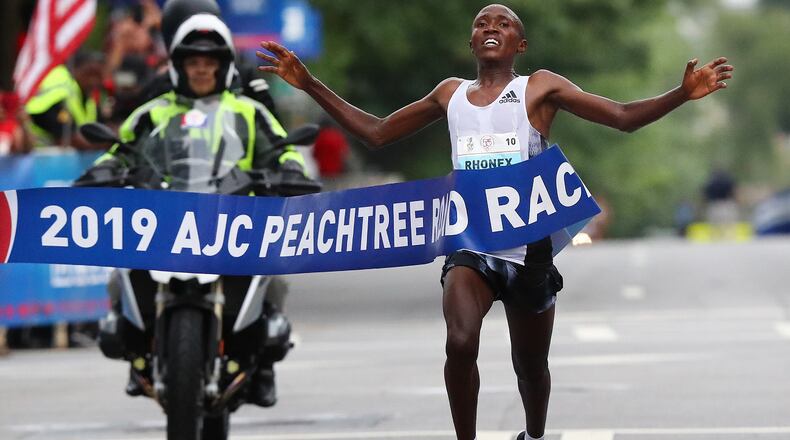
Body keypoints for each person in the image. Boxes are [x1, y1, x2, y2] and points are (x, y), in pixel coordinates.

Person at [256, 4, 733, 439]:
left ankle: (534, 435)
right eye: (482, 23)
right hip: (472, 245)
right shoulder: (450, 94)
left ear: (519, 45)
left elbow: (623, 117)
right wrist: (311, 84)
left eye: (504, 24)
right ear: (471, 43)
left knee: (531, 366)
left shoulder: (539, 87)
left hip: (530, 249)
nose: (491, 27)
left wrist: (681, 94)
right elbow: (377, 132)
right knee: (461, 342)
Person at [91, 12, 307, 408]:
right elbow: (121, 150)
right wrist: (105, 168)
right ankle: (135, 349)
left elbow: (283, 149)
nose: (202, 68)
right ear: (179, 66)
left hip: (234, 218)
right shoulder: (153, 111)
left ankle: (263, 366)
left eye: (210, 61)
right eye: (193, 61)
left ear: (224, 66)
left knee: (274, 269)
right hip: (165, 218)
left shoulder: (249, 111)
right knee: (119, 268)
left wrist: (289, 169)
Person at [24, 51, 107, 149]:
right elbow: (69, 138)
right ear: (75, 69)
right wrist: (109, 144)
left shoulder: (89, 100)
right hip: (34, 153)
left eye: (99, 76)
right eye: (90, 74)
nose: (94, 81)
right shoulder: (61, 90)